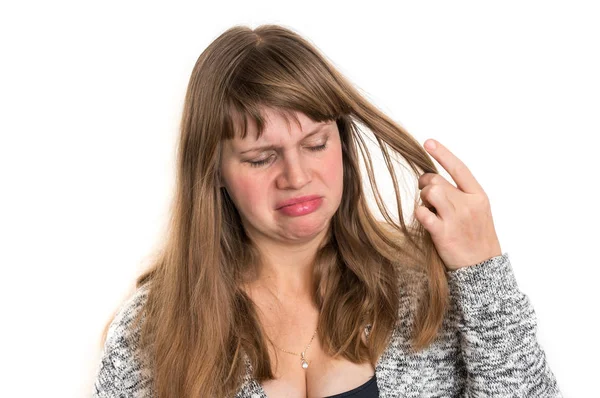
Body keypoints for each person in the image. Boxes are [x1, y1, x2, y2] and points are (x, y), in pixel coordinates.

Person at [91, 24, 563, 398]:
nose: (296, 175)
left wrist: (483, 270)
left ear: (341, 144)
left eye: (315, 144)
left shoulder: (425, 289)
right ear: (212, 171)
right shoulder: (152, 333)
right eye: (261, 157)